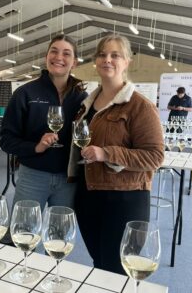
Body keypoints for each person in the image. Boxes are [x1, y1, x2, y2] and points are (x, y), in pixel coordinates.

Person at [69, 34, 164, 274]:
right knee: (99, 265)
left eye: (115, 55)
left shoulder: (140, 106)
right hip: (89, 196)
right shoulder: (87, 104)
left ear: (127, 62)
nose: (107, 60)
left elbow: (154, 156)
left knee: (118, 268)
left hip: (124, 200)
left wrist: (107, 153)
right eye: (102, 54)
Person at [0, 34, 87, 211]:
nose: (59, 57)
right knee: (25, 232)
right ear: (46, 57)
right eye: (53, 51)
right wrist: (36, 147)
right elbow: (6, 141)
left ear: (75, 63)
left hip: (68, 179)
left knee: (61, 235)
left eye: (66, 53)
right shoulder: (25, 93)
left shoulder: (82, 98)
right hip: (32, 175)